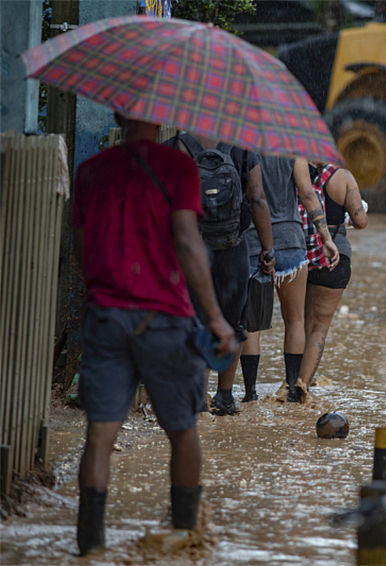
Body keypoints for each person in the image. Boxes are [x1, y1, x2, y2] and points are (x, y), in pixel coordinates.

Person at [71, 114, 237, 556]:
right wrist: (217, 319)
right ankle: (186, 537)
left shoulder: (91, 171)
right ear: (160, 117)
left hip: (105, 317)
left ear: (120, 115)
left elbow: (81, 244)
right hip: (164, 320)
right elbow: (186, 242)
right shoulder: (178, 167)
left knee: (99, 438)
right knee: (182, 431)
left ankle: (89, 547)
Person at [167, 133, 275, 415]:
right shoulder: (242, 147)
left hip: (192, 249)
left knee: (197, 319)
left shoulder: (179, 146)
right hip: (232, 248)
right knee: (233, 321)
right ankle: (225, 396)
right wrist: (268, 248)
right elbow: (258, 198)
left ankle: (199, 398)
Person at [240, 155, 339, 403]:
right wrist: (326, 237)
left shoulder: (243, 147)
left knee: (251, 325)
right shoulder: (292, 151)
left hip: (253, 241)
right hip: (291, 241)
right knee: (294, 320)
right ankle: (293, 388)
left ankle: (250, 393)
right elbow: (307, 194)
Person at [295, 160, 368, 393]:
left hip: (301, 254)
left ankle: (290, 379)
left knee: (299, 323)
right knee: (319, 327)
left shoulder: (296, 173)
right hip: (334, 258)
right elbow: (361, 222)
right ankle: (303, 384)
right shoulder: (343, 178)